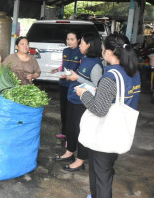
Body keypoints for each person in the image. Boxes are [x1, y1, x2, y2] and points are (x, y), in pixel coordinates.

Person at [75, 34, 140, 198]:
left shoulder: (110, 76)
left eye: (104, 49)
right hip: (120, 129)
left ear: (110, 52)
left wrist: (83, 93)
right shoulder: (133, 72)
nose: (102, 51)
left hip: (106, 132)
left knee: (101, 175)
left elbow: (99, 109)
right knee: (106, 170)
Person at [55, 32, 103, 172]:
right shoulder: (85, 59)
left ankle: (80, 160)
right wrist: (71, 77)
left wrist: (77, 78)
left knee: (81, 131)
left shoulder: (96, 65)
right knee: (70, 129)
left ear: (89, 45)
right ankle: (69, 152)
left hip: (83, 104)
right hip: (73, 99)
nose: (80, 45)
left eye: (81, 42)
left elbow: (96, 86)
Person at [51, 31, 82, 140]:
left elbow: (81, 69)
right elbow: (63, 65)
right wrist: (57, 70)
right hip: (63, 83)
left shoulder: (81, 52)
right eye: (68, 39)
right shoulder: (65, 50)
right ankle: (64, 132)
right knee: (63, 109)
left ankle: (73, 134)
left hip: (74, 84)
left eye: (72, 39)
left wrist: (71, 76)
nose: (69, 41)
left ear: (78, 40)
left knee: (72, 110)